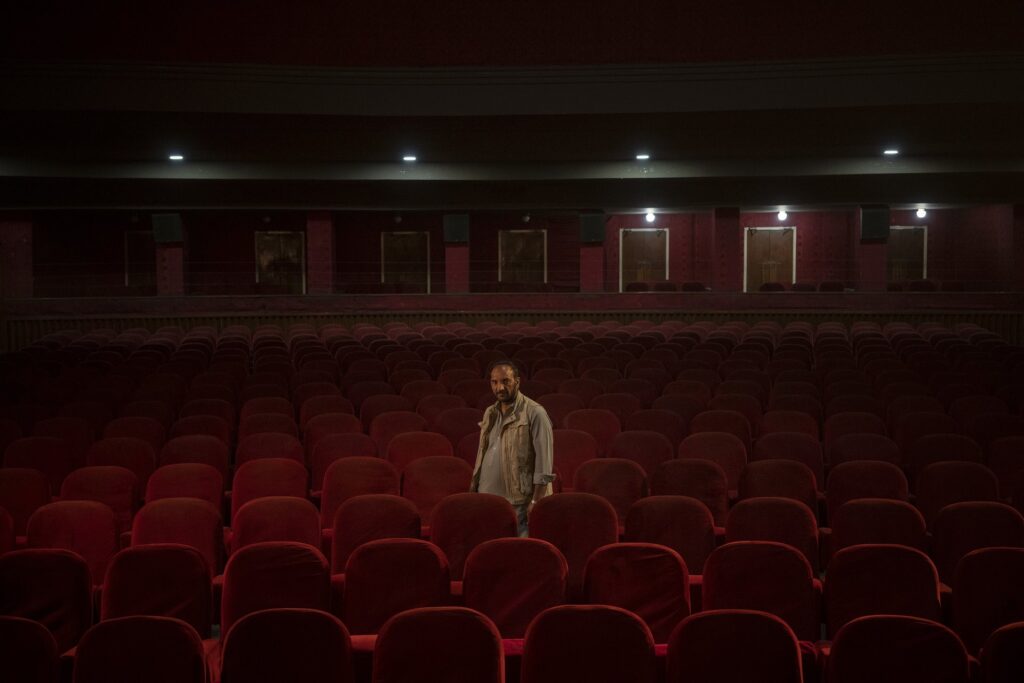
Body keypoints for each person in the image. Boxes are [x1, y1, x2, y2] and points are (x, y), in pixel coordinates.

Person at [470, 359, 555, 536]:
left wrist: (535, 502)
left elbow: (544, 463)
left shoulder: (535, 412)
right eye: (494, 382)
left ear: (517, 381)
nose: (499, 388)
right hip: (487, 499)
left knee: (518, 556)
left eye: (505, 381)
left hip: (519, 503)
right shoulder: (490, 412)